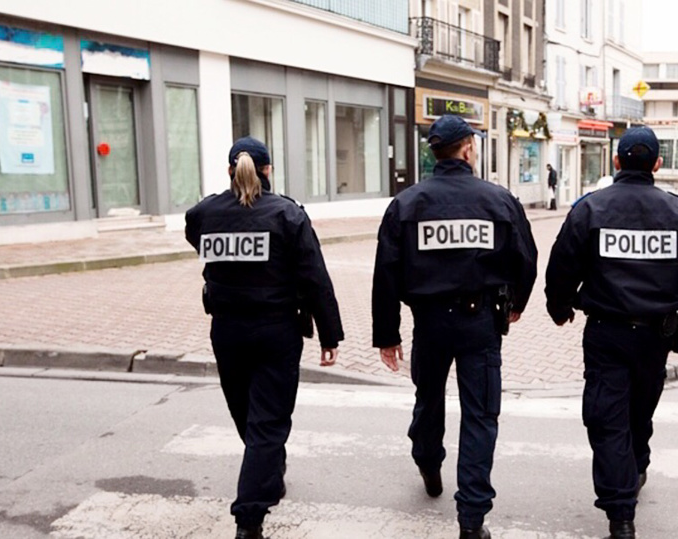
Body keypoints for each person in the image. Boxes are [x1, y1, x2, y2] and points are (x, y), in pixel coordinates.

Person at [544, 126, 678, 539]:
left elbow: (562, 267)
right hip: (656, 338)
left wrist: (558, 308)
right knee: (639, 409)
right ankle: (633, 478)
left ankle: (621, 510)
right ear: (657, 164)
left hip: (606, 333)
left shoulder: (589, 209)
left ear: (616, 162)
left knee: (608, 418)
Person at [371, 114, 538, 539]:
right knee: (480, 417)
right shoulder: (498, 200)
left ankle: (428, 462)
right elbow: (527, 257)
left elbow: (386, 273)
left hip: (428, 323)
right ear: (467, 150)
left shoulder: (407, 204)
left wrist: (387, 335)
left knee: (428, 399)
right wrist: (516, 303)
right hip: (479, 321)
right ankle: (472, 521)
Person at [185, 137, 344, 539]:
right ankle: (249, 519)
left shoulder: (206, 214)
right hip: (277, 331)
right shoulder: (287, 215)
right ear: (268, 171)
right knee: (267, 426)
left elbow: (194, 233)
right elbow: (314, 278)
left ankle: (267, 470)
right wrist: (330, 335)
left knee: (248, 418)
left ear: (229, 171)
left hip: (227, 331)